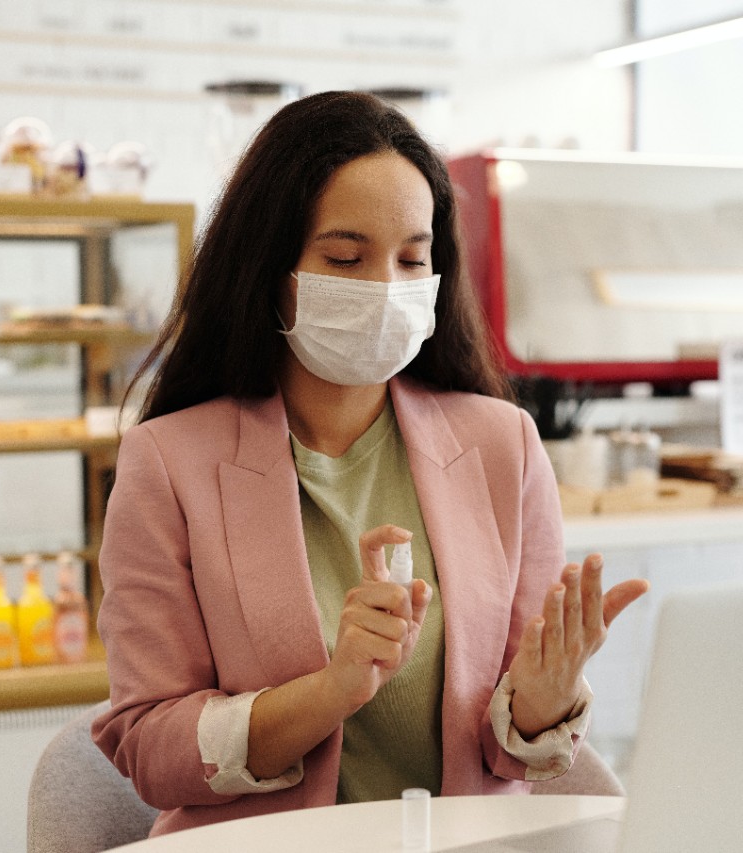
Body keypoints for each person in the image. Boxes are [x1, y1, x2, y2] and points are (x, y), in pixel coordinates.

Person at [91, 90, 649, 837]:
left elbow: (510, 754)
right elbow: (148, 747)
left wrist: (542, 702)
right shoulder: (168, 461)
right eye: (345, 258)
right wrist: (330, 690)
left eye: (412, 258)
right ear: (269, 265)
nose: (386, 288)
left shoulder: (502, 446)